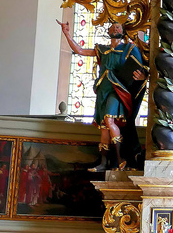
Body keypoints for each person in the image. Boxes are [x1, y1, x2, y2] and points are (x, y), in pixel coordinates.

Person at [58, 20, 148, 171]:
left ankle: (121, 159)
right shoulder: (102, 49)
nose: (115, 27)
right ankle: (104, 162)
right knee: (104, 127)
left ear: (123, 31)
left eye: (118, 26)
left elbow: (142, 69)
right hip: (102, 89)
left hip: (117, 90)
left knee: (109, 119)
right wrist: (66, 33)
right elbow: (80, 50)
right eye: (112, 26)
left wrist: (142, 76)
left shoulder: (129, 48)